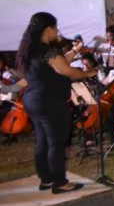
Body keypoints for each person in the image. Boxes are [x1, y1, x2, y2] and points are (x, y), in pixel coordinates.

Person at [16, 12, 97, 193]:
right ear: (48, 29)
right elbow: (67, 71)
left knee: (42, 140)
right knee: (56, 142)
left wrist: (75, 51)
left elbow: (57, 62)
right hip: (50, 101)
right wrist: (88, 73)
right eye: (55, 28)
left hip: (33, 99)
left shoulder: (32, 49)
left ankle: (46, 179)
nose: (57, 31)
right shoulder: (49, 50)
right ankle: (60, 183)